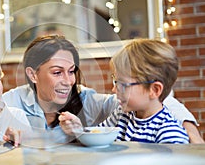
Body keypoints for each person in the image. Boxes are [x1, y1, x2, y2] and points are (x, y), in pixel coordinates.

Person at [2, 35, 204, 143]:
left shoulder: (87, 100)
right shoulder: (13, 100)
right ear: (33, 74)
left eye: (72, 71)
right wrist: (5, 132)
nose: (69, 81)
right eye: (57, 72)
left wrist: (191, 131)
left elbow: (157, 101)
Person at [59, 39, 189, 143]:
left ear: (154, 90)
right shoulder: (121, 114)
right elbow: (98, 138)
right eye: (115, 82)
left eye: (122, 84)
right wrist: (78, 130)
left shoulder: (170, 135)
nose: (114, 90)